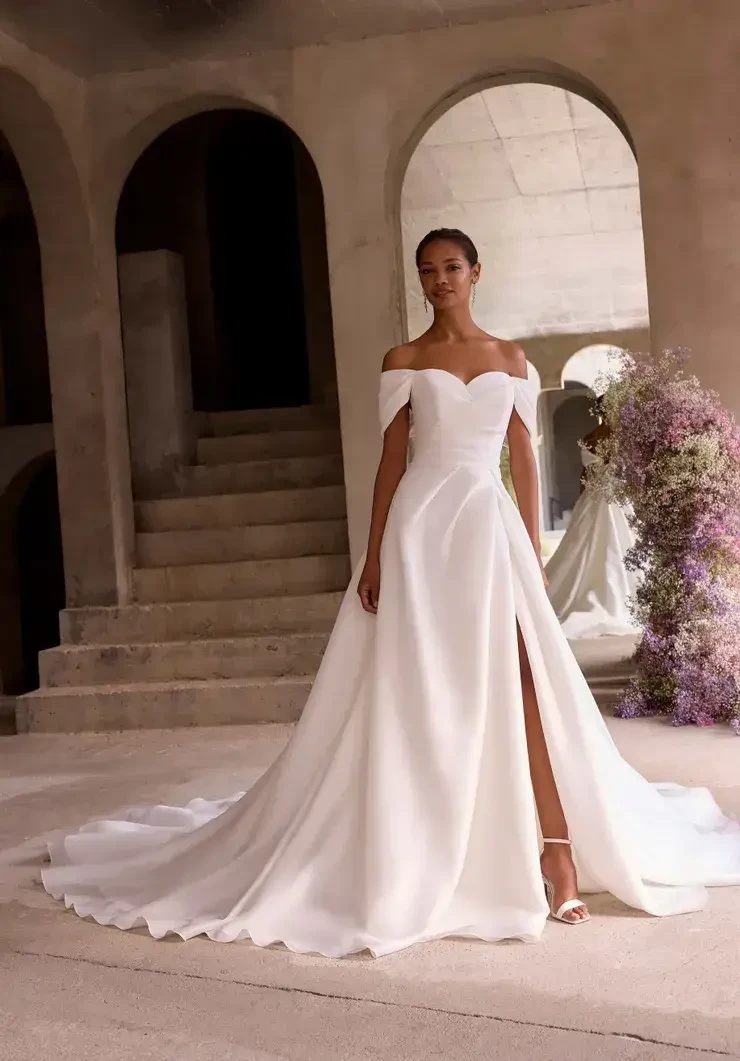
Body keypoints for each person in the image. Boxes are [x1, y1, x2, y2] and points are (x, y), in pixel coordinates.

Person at [42, 229, 740, 958]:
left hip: (487, 529)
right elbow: (390, 461)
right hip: (420, 532)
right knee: (422, 687)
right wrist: (373, 554)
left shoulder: (510, 359)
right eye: (428, 271)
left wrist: (531, 553)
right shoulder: (404, 360)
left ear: (476, 272)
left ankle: (555, 849)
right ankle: (434, 841)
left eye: (451, 268)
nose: (439, 280)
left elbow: (524, 459)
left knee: (527, 678)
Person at [546, 398, 640, 638]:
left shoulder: (590, 437)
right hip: (616, 497)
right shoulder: (625, 437)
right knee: (620, 544)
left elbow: (585, 473)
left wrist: (581, 500)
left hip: (594, 497)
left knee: (586, 546)